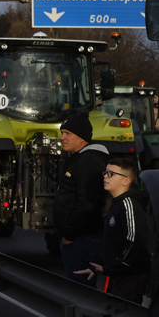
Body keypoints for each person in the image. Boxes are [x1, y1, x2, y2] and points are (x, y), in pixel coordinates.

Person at [74, 158, 151, 303]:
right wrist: (100, 266)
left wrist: (114, 267)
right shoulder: (116, 204)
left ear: (126, 181)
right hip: (117, 274)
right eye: (105, 172)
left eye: (111, 174)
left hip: (129, 276)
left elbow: (134, 241)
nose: (105, 176)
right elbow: (113, 242)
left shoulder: (129, 205)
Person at [53, 111, 109, 288]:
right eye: (62, 133)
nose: (62, 138)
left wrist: (69, 235)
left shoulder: (89, 160)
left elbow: (86, 204)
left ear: (82, 137)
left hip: (82, 240)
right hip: (79, 238)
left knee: (80, 293)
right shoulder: (79, 158)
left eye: (67, 133)